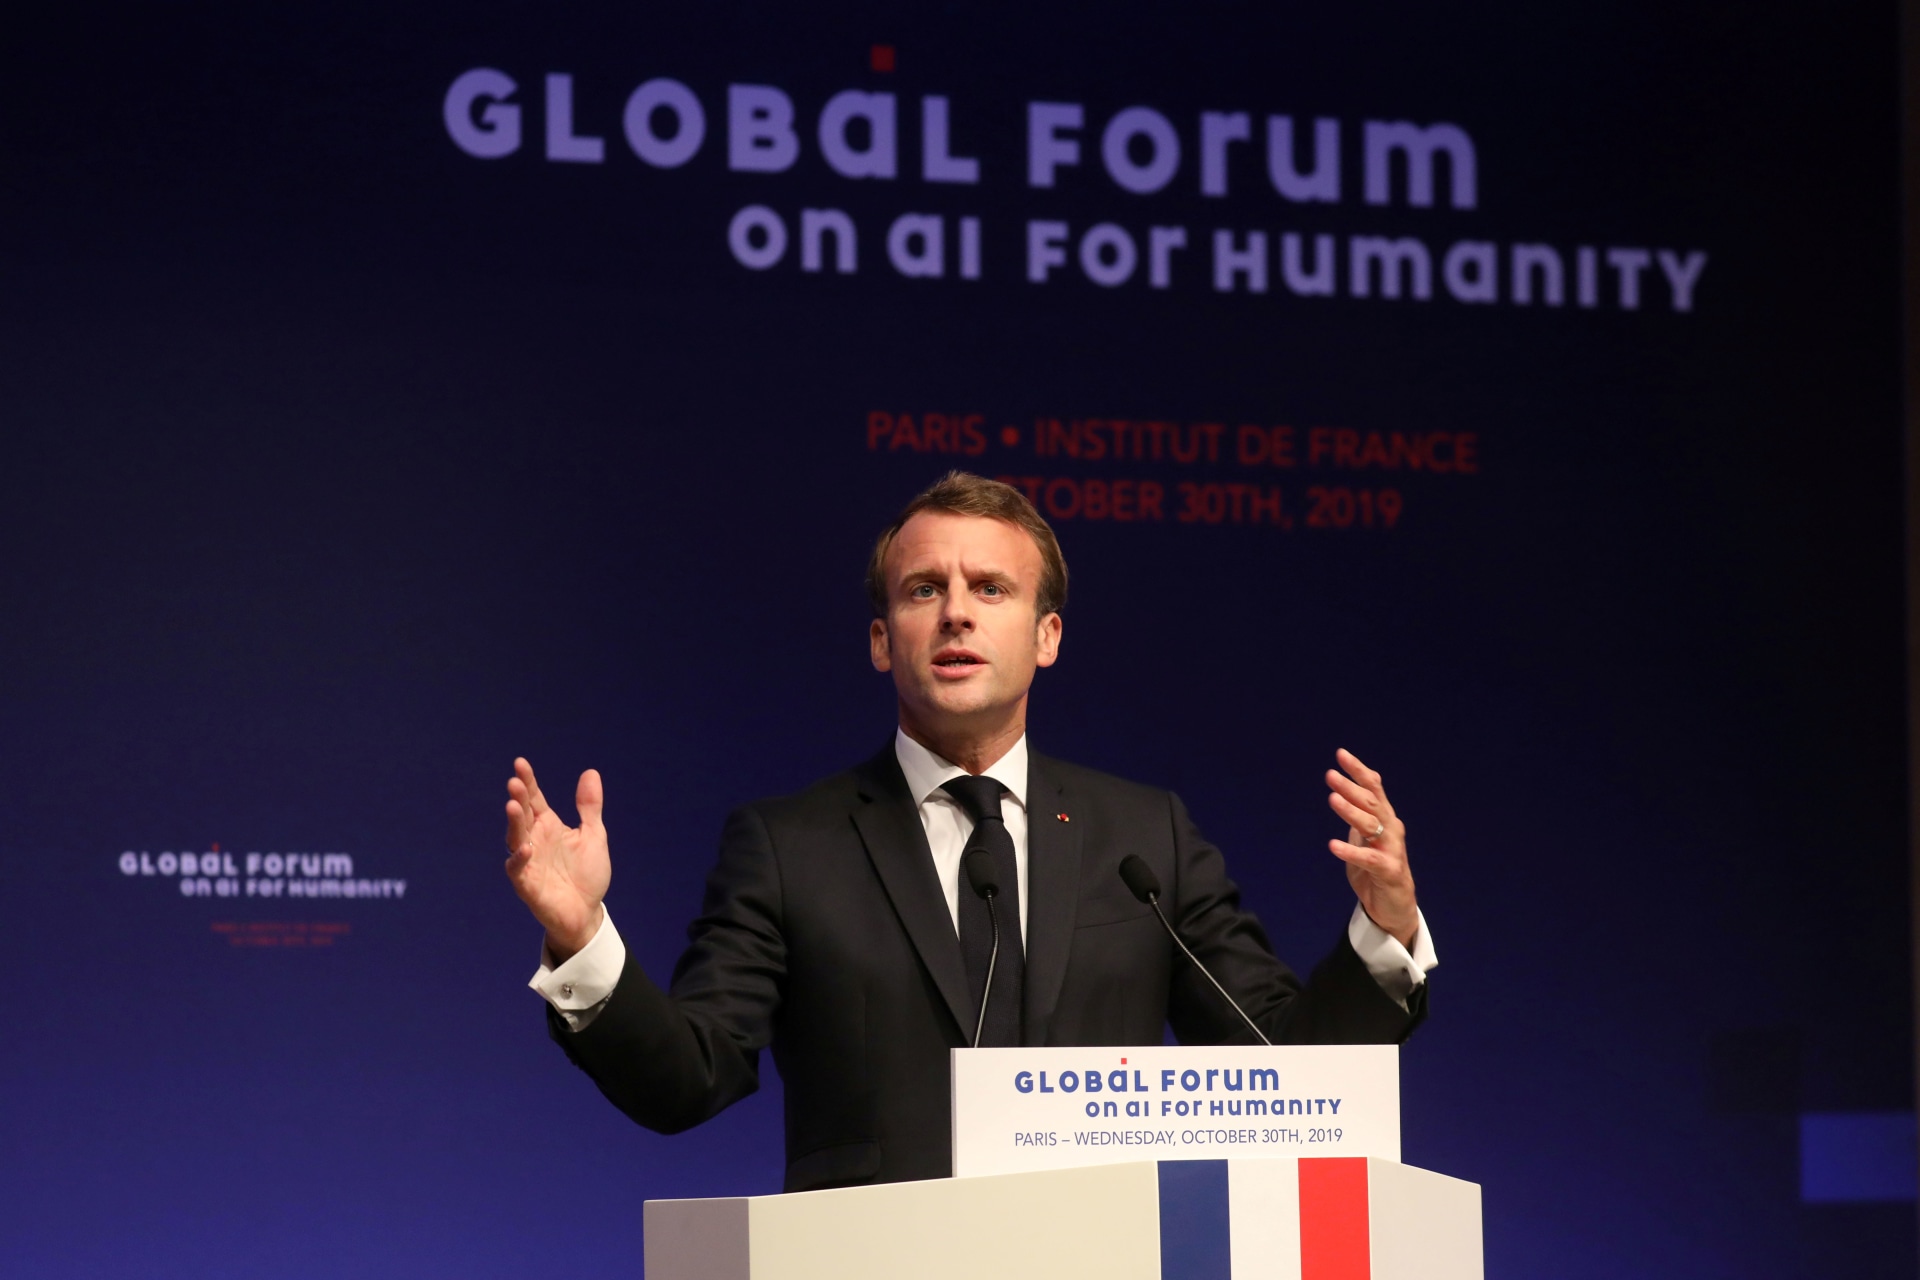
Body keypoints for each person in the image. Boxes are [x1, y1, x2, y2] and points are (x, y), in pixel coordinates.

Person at [503, 472, 1435, 1192]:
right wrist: (583, 940)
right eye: (923, 590)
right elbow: (687, 1079)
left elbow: (1281, 1066)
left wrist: (1383, 931)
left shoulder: (1142, 837)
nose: (956, 611)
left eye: (990, 588)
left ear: (1046, 636)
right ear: (882, 641)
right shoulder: (790, 847)